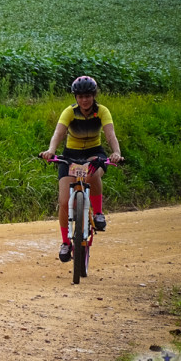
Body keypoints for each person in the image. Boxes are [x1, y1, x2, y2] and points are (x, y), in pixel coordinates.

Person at [39, 75, 123, 262]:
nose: (84, 100)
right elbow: (58, 133)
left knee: (92, 173)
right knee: (63, 202)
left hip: (94, 153)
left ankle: (98, 213)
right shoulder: (69, 112)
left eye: (88, 96)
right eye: (80, 96)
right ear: (76, 97)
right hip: (70, 156)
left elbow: (110, 135)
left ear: (94, 96)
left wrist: (116, 152)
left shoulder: (102, 111)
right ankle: (65, 243)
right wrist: (51, 151)